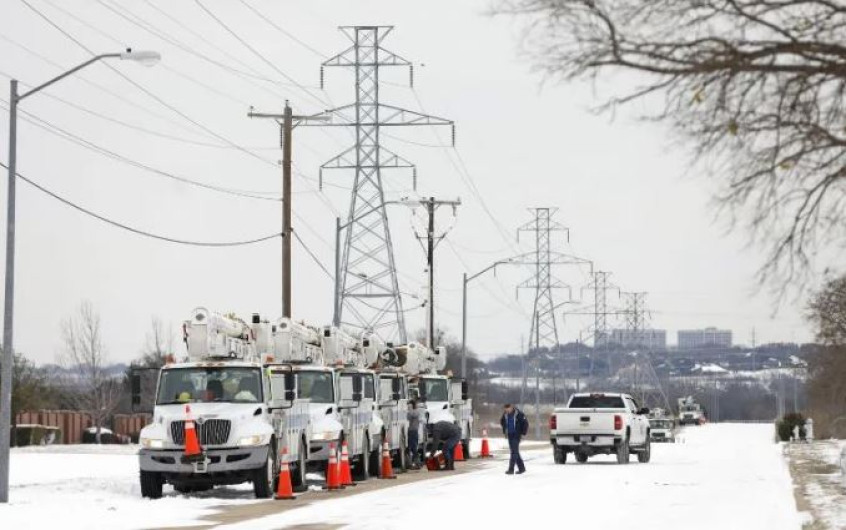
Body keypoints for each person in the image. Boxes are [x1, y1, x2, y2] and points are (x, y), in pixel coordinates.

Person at [500, 403, 528, 475]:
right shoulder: (505, 415)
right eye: (505, 409)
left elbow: (525, 423)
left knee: (514, 452)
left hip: (517, 435)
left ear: (511, 407)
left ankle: (511, 469)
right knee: (515, 452)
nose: (507, 410)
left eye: (508, 409)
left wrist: (523, 433)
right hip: (509, 435)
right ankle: (522, 468)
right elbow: (502, 422)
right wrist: (505, 431)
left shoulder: (519, 414)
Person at [407, 400, 421, 469]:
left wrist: (410, 408)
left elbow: (411, 415)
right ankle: (412, 463)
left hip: (413, 431)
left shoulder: (415, 411)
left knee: (413, 448)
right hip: (411, 431)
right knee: (410, 448)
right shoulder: (414, 411)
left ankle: (417, 463)